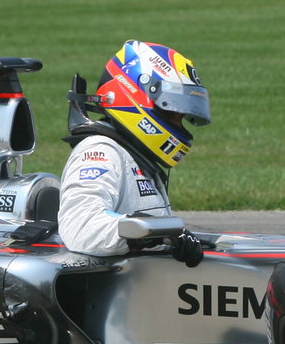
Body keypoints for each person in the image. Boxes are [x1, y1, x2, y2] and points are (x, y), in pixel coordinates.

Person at [58, 40, 211, 265]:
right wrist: (147, 233)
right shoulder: (101, 151)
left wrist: (165, 235)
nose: (178, 123)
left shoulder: (137, 157)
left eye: (182, 115)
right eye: (171, 112)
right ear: (133, 96)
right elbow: (81, 227)